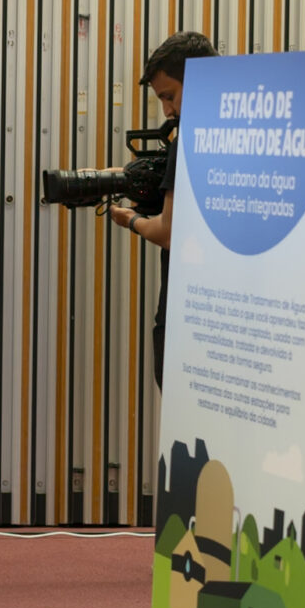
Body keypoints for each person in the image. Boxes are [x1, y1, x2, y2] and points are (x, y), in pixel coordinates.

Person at [107, 32, 217, 389]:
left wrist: (130, 219)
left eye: (169, 96)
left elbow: (168, 233)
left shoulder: (188, 140)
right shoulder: (235, 132)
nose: (168, 111)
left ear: (198, 81)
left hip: (186, 311)